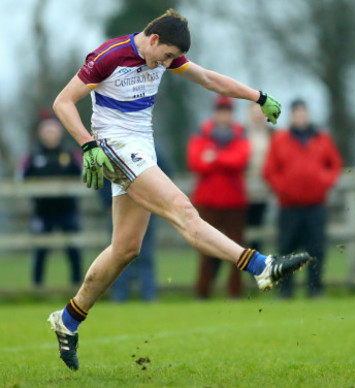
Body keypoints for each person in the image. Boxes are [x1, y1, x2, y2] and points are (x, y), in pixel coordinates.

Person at [47, 9, 311, 371]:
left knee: (125, 249)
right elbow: (62, 102)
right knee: (184, 211)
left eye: (173, 58)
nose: (168, 64)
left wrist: (257, 96)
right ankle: (261, 266)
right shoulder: (110, 55)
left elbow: (206, 78)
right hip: (115, 146)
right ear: (153, 40)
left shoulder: (163, 57)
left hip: (142, 148)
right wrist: (87, 144)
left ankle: (68, 319)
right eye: (167, 55)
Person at [263, 99, 343, 298]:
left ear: (307, 114)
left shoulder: (322, 139)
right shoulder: (280, 139)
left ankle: (315, 289)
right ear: (291, 116)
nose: (300, 117)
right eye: (296, 113)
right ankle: (285, 290)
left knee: (316, 248)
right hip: (289, 206)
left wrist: (324, 181)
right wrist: (283, 188)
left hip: (316, 205)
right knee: (286, 248)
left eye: (303, 113)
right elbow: (269, 170)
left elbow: (335, 165)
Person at [187, 95, 249, 299]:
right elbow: (196, 162)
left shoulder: (240, 134)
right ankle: (202, 291)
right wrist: (224, 161)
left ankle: (234, 291)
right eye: (221, 111)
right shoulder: (202, 134)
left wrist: (215, 158)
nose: (224, 116)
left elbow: (240, 160)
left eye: (227, 112)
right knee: (206, 248)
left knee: (236, 248)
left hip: (234, 202)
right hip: (208, 201)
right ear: (215, 113)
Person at [100, 145, 173, 303]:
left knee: (145, 254)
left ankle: (148, 295)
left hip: (146, 210)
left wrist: (154, 201)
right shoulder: (110, 150)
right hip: (119, 211)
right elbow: (102, 179)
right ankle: (119, 296)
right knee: (118, 253)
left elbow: (165, 177)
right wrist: (108, 203)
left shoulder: (153, 150)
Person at [17, 116, 83, 288]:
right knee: (40, 251)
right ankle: (36, 288)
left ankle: (78, 286)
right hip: (42, 212)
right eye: (47, 132)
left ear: (59, 133)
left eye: (53, 131)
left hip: (68, 210)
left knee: (73, 250)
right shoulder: (32, 156)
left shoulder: (71, 154)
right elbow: (20, 179)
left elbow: (84, 176)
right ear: (41, 134)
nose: (50, 135)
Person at [245, 102, 273, 254]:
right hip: (244, 191)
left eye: (260, 112)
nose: (257, 116)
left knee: (260, 229)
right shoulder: (241, 134)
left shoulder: (272, 134)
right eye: (254, 112)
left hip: (265, 190)